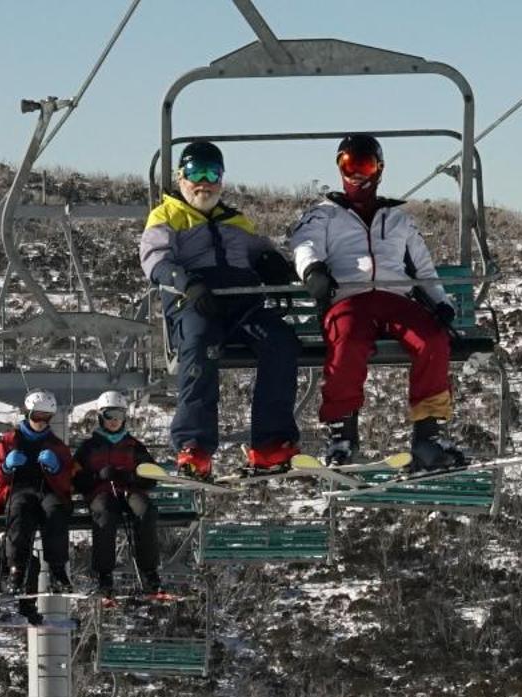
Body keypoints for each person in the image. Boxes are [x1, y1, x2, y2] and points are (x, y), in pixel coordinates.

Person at [289, 133, 465, 471]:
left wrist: (439, 301)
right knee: (349, 342)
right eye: (348, 165)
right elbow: (304, 244)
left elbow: (422, 266)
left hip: (395, 297)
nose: (356, 175)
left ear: (379, 170)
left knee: (432, 340)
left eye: (364, 165)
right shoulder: (324, 215)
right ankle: (342, 432)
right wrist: (313, 271)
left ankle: (428, 435)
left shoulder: (397, 219)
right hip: (349, 298)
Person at [139, 139, 301, 476]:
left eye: (212, 173)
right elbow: (155, 259)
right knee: (200, 347)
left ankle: (270, 444)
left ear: (222, 179)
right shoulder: (167, 215)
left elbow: (259, 250)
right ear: (180, 177)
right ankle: (194, 447)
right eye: (195, 172)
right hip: (198, 303)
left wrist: (273, 264)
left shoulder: (235, 220)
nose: (204, 182)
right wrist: (187, 283)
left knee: (282, 342)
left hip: (243, 304)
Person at [0, 390, 75, 593]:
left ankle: (57, 569)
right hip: (19, 489)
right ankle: (17, 568)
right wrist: (6, 467)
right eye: (37, 416)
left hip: (47, 491)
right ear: (28, 414)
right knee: (20, 512)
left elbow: (68, 478)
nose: (41, 422)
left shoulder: (56, 446)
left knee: (55, 512)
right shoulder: (8, 442)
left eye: (46, 417)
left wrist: (56, 468)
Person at [71, 391, 161, 596]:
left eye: (119, 416)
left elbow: (152, 475)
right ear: (101, 417)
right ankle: (104, 575)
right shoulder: (89, 447)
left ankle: (150, 572)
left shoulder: (133, 446)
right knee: (104, 514)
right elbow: (76, 479)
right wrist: (97, 477)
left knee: (146, 511)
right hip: (101, 492)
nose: (114, 421)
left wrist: (131, 477)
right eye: (110, 415)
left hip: (129, 490)